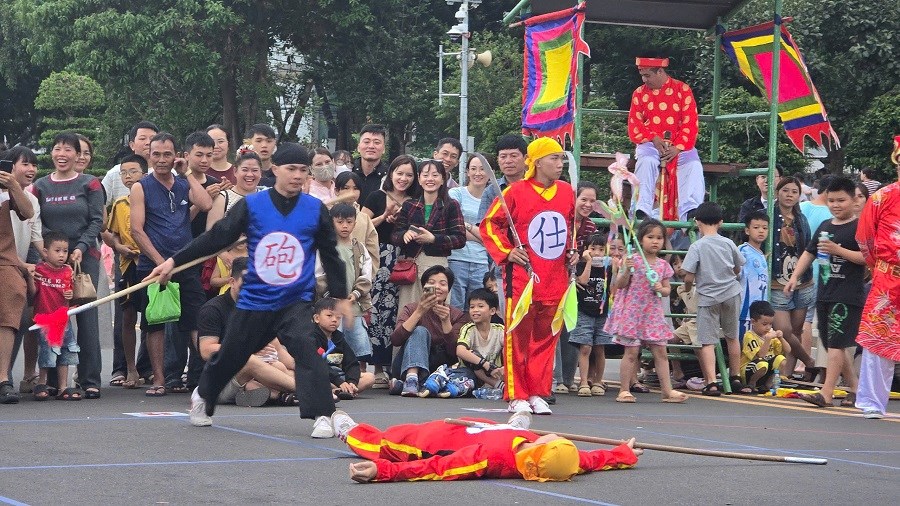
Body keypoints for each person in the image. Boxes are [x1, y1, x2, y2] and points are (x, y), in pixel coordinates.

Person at [146, 143, 349, 428]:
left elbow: (330, 254)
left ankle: (323, 415)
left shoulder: (314, 210)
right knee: (232, 355)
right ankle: (203, 394)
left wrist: (340, 295)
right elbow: (216, 237)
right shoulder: (253, 206)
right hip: (256, 299)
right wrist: (173, 261)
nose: (297, 176)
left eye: (303, 171)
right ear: (275, 169)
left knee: (306, 350)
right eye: (291, 169)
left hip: (296, 299)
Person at [480, 137, 577, 414]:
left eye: (561, 159)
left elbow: (569, 227)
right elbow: (490, 225)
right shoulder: (515, 192)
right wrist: (508, 252)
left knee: (546, 337)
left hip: (555, 276)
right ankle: (517, 393)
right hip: (523, 278)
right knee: (518, 335)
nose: (560, 164)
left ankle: (537, 391)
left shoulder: (567, 191)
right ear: (537, 162)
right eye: (553, 159)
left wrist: (574, 251)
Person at [328, 411, 641, 483]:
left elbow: (436, 467)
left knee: (386, 441)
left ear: (540, 450)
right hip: (482, 428)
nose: (557, 436)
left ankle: (347, 429)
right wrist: (623, 452)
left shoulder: (489, 459)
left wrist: (382, 471)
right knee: (509, 428)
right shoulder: (556, 457)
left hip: (433, 441)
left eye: (555, 440)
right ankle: (514, 425)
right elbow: (591, 459)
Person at [130, 132, 213, 397]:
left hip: (185, 263)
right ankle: (159, 378)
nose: (162, 160)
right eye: (157, 154)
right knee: (154, 323)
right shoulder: (141, 186)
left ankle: (202, 378)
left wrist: (187, 172)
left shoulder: (181, 183)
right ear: (149, 155)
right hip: (152, 267)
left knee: (196, 319)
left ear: (176, 155)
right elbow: (136, 230)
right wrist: (160, 263)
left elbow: (206, 203)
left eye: (167, 154)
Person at [31, 132, 105, 399]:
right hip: (49, 260)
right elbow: (35, 222)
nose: (62, 154)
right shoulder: (40, 186)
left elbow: (97, 221)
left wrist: (80, 248)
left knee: (84, 315)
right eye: (57, 149)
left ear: (78, 155)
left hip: (83, 260)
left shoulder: (90, 183)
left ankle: (89, 379)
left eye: (68, 150)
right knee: (52, 316)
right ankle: (51, 380)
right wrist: (48, 253)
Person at [190, 257, 298, 427]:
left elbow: (281, 352)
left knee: (282, 368)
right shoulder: (212, 309)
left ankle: (275, 393)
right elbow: (206, 350)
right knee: (249, 360)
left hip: (259, 373)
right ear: (232, 282)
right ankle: (304, 391)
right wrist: (247, 349)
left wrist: (319, 374)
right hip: (219, 382)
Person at [786, 176, 865, 408]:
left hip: (847, 295)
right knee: (833, 344)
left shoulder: (859, 227)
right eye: (831, 200)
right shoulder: (825, 226)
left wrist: (837, 249)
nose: (836, 205)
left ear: (853, 200)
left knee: (837, 345)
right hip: (825, 292)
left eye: (841, 200)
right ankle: (856, 389)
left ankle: (826, 393)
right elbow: (809, 253)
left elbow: (866, 258)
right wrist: (794, 276)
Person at [606, 219, 687, 403]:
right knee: (631, 353)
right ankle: (624, 390)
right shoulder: (632, 260)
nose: (655, 241)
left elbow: (667, 290)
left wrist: (661, 288)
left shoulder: (662, 265)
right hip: (632, 313)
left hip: (652, 314)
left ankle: (667, 391)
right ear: (641, 239)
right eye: (650, 237)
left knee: (661, 352)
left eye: (659, 237)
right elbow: (620, 285)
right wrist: (627, 270)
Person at [361, 155, 419, 387]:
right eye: (399, 173)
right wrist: (385, 217)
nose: (403, 178)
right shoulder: (377, 196)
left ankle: (392, 366)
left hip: (405, 258)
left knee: (397, 311)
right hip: (379, 257)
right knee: (375, 311)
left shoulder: (416, 200)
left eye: (409, 175)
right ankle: (373, 367)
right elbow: (361, 225)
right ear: (391, 173)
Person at [853, 136, 900, 419]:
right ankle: (872, 402)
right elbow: (865, 239)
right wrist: (878, 266)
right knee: (878, 341)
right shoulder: (882, 197)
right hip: (888, 277)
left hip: (885, 273)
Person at [680, 202, 748, 395]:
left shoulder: (697, 246)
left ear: (697, 222)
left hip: (708, 297)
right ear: (721, 222)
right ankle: (735, 376)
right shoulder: (728, 243)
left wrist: (686, 290)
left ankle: (711, 382)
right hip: (731, 293)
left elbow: (689, 276)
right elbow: (738, 268)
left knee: (707, 341)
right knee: (732, 336)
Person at [627, 57, 704, 221]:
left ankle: (691, 209)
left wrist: (678, 147)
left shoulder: (682, 90)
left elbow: (690, 121)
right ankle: (642, 208)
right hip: (650, 143)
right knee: (646, 161)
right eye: (642, 75)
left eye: (647, 75)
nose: (644, 80)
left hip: (680, 145)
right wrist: (653, 138)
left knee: (693, 165)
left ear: (660, 71)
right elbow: (635, 123)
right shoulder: (639, 93)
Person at [391, 159, 466, 312]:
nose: (430, 179)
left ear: (443, 179)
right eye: (425, 175)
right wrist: (405, 235)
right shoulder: (409, 205)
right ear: (419, 179)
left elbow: (460, 238)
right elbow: (395, 235)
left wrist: (433, 239)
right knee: (409, 311)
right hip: (411, 266)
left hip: (437, 266)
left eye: (435, 175)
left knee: (434, 312)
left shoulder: (451, 205)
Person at [389, 265, 470, 396]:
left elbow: (455, 352)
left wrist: (445, 321)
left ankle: (408, 385)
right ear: (424, 287)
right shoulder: (411, 308)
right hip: (407, 365)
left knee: (463, 370)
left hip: (439, 367)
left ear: (448, 290)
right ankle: (411, 380)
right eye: (431, 283)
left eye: (443, 284)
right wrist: (419, 312)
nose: (437, 287)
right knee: (420, 331)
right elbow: (395, 340)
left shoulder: (457, 314)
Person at [315, 203, 374, 371]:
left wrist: (355, 294)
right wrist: (330, 296)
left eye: (349, 221)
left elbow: (366, 275)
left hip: (354, 304)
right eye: (339, 221)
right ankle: (334, 372)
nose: (345, 226)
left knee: (357, 338)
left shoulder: (360, 248)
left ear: (355, 223)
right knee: (332, 335)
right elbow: (319, 274)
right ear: (331, 222)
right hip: (330, 304)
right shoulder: (325, 247)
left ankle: (359, 372)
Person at [767, 177, 817, 378]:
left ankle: (785, 375)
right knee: (783, 330)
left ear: (799, 195)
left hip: (803, 281)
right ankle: (809, 361)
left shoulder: (801, 219)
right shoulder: (768, 216)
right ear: (777, 192)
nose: (789, 195)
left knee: (796, 331)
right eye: (785, 190)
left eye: (794, 192)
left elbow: (808, 248)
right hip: (777, 281)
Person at [105, 154, 147, 388]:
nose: (128, 176)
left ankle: (152, 370)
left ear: (144, 174)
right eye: (124, 172)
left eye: (133, 171)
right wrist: (119, 247)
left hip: (149, 263)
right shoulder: (120, 203)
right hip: (127, 266)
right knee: (128, 316)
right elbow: (112, 234)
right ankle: (130, 369)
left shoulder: (152, 199)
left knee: (153, 318)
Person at [2, 146, 42, 391]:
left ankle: (4, 377)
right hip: (14, 262)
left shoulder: (17, 195)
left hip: (10, 263)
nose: (31, 169)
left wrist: (13, 187)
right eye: (25, 164)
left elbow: (28, 214)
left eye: (33, 165)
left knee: (14, 301)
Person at [310, 297, 376, 438]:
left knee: (369, 377)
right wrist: (340, 381)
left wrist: (352, 381)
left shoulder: (338, 338)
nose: (334, 320)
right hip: (321, 375)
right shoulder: (311, 337)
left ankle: (342, 391)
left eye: (338, 317)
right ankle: (337, 390)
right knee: (315, 377)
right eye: (329, 316)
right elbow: (317, 364)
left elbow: (351, 363)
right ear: (316, 318)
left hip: (338, 378)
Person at [29, 232, 81, 400]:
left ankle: (63, 387)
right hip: (44, 318)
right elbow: (33, 293)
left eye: (65, 251)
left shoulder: (67, 270)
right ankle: (42, 383)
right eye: (57, 250)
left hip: (63, 319)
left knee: (65, 352)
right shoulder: (39, 269)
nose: (61, 255)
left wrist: (70, 294)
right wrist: (30, 279)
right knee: (47, 351)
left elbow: (71, 294)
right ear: (45, 252)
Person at [570, 233, 614, 397]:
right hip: (584, 312)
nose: (597, 253)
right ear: (585, 250)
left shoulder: (608, 268)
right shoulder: (582, 265)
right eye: (592, 249)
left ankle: (597, 381)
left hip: (602, 313)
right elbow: (582, 281)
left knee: (599, 348)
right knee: (585, 347)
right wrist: (588, 261)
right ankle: (583, 382)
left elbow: (613, 286)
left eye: (601, 249)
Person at [448, 155, 489, 310]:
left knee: (477, 308)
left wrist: (467, 226)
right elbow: (453, 227)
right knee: (455, 308)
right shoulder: (456, 194)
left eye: (482, 169)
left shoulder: (492, 198)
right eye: (473, 169)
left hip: (481, 262)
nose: (478, 173)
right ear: (467, 172)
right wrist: (481, 238)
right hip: (456, 258)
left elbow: (493, 234)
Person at [452, 288, 505, 390]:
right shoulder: (468, 328)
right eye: (472, 307)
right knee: (472, 354)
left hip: (495, 371)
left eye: (480, 306)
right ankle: (498, 385)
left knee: (509, 348)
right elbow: (460, 351)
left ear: (492, 311)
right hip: (471, 373)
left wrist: (505, 368)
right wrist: (484, 363)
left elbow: (511, 349)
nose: (475, 310)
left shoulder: (499, 329)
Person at [102, 121, 158, 206]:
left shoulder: (167, 172)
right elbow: (99, 204)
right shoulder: (115, 173)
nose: (148, 143)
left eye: (152, 139)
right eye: (142, 139)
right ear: (132, 145)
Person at [334, 171, 379, 271]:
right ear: (337, 191)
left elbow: (373, 250)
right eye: (346, 188)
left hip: (359, 272)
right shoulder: (328, 215)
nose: (351, 192)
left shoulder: (364, 218)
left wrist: (367, 277)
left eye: (355, 188)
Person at [206, 152, 263, 230]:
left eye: (255, 170)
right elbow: (210, 235)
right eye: (245, 170)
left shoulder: (266, 196)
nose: (250, 174)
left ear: (261, 172)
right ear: (235, 171)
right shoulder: (222, 198)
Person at [740, 301, 788, 392]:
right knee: (762, 363)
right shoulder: (749, 336)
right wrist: (767, 340)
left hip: (765, 372)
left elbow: (788, 350)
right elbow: (760, 356)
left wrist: (782, 338)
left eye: (770, 324)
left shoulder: (770, 335)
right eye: (764, 324)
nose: (768, 328)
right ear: (753, 321)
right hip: (750, 371)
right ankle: (751, 384)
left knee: (780, 359)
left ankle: (767, 385)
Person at [738, 211, 771, 338]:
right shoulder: (743, 250)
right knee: (745, 347)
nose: (761, 231)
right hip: (745, 312)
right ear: (747, 230)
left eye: (764, 228)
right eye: (756, 228)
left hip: (760, 312)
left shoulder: (761, 254)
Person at [353, 124, 389, 205]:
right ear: (358, 147)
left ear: (384, 149)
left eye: (377, 142)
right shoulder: (348, 170)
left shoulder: (390, 177)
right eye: (366, 142)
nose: (371, 146)